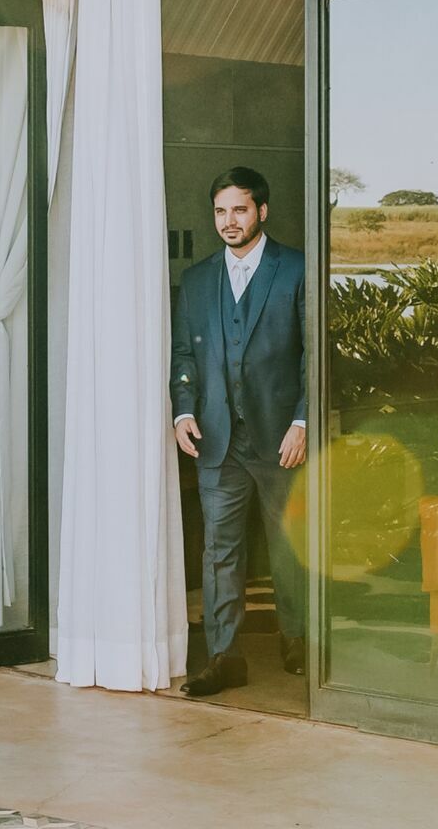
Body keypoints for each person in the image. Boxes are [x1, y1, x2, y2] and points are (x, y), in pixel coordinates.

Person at [170, 166, 308, 695]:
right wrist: (184, 410)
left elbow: (314, 356)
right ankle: (224, 656)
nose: (229, 220)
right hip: (218, 439)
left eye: (240, 209)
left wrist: (302, 421)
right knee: (219, 552)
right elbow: (184, 355)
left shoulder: (296, 269)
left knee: (289, 546)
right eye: (221, 211)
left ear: (262, 211)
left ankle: (297, 639)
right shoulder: (197, 279)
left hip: (282, 438)